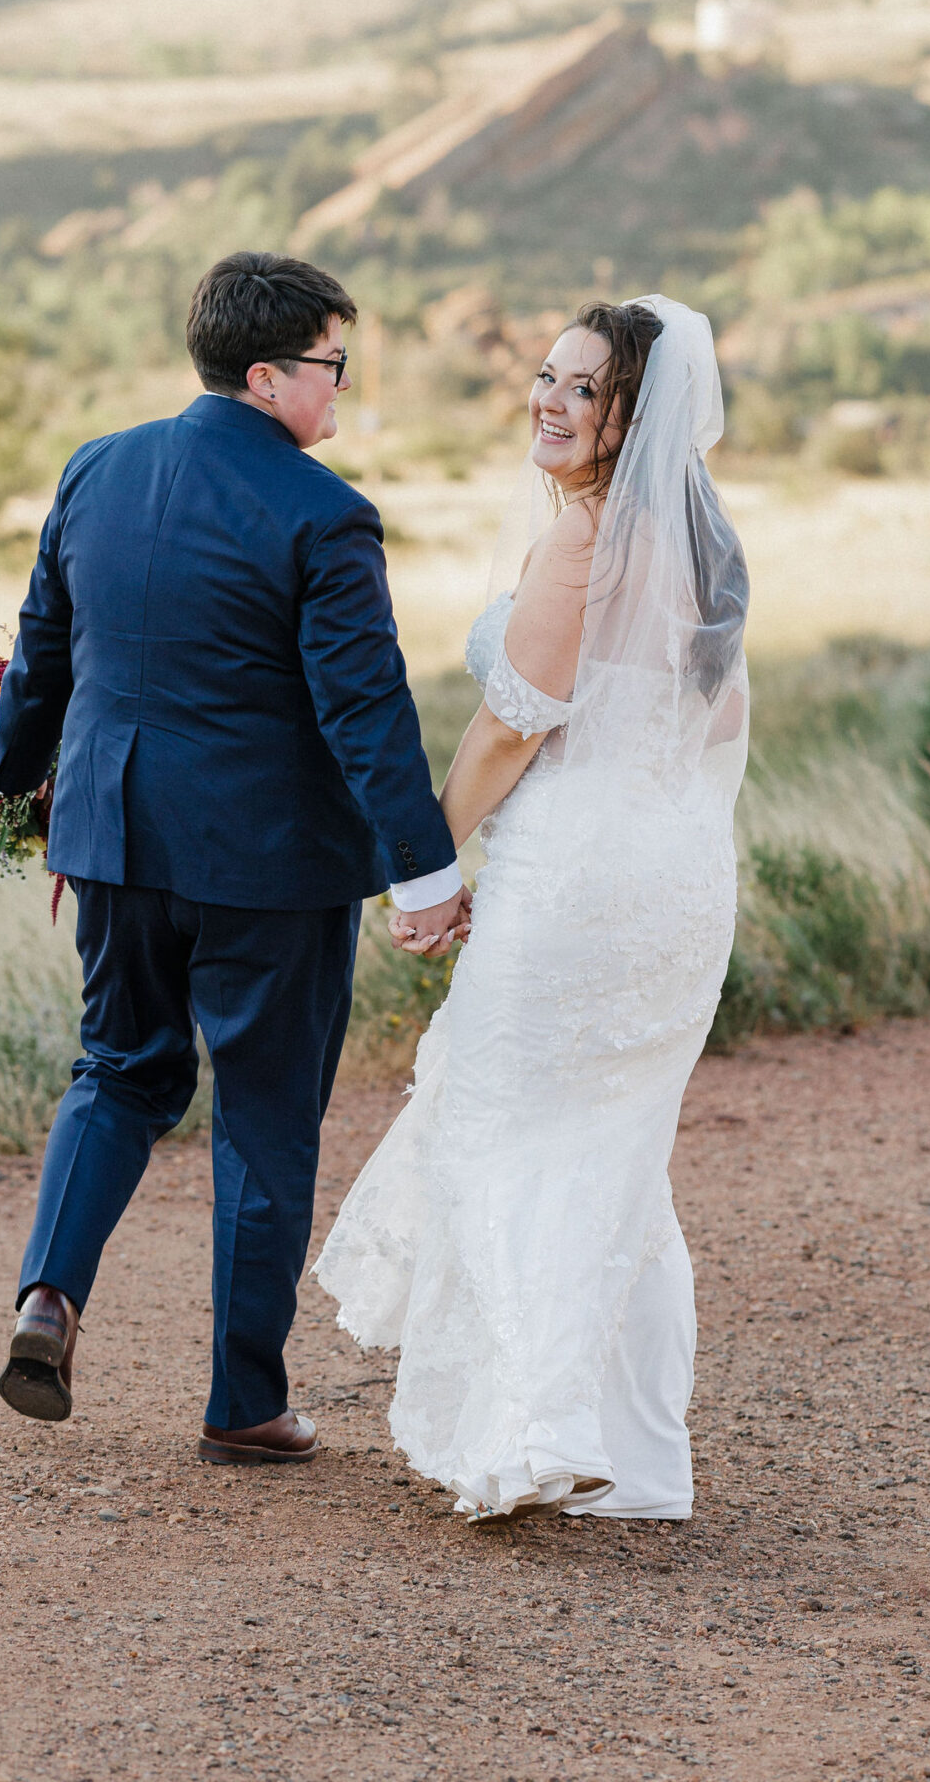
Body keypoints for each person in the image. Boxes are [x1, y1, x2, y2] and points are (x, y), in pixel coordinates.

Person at [0, 250, 467, 1464]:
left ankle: (50, 1294)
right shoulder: (325, 513)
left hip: (117, 839)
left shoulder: (98, 467)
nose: (343, 387)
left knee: (119, 1070)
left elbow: (45, 649)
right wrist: (426, 866)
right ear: (266, 375)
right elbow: (368, 711)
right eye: (331, 364)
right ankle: (243, 1405)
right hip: (270, 867)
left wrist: (15, 787)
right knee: (263, 1117)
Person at [317, 295, 749, 1521]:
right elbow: (706, 723)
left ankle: (540, 1428)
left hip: (574, 879)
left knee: (505, 1131)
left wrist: (428, 866)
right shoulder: (712, 551)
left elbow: (512, 726)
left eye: (582, 388)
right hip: (674, 879)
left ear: (634, 415)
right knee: (618, 1159)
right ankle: (643, 1458)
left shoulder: (586, 542)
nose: (549, 403)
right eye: (546, 378)